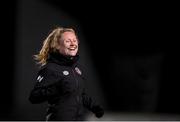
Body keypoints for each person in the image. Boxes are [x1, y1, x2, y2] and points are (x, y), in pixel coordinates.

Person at [29, 27, 104, 121]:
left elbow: (78, 94)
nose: (73, 44)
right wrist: (55, 89)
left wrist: (94, 107)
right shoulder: (51, 68)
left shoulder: (76, 69)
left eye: (75, 40)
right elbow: (34, 97)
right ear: (57, 46)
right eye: (68, 41)